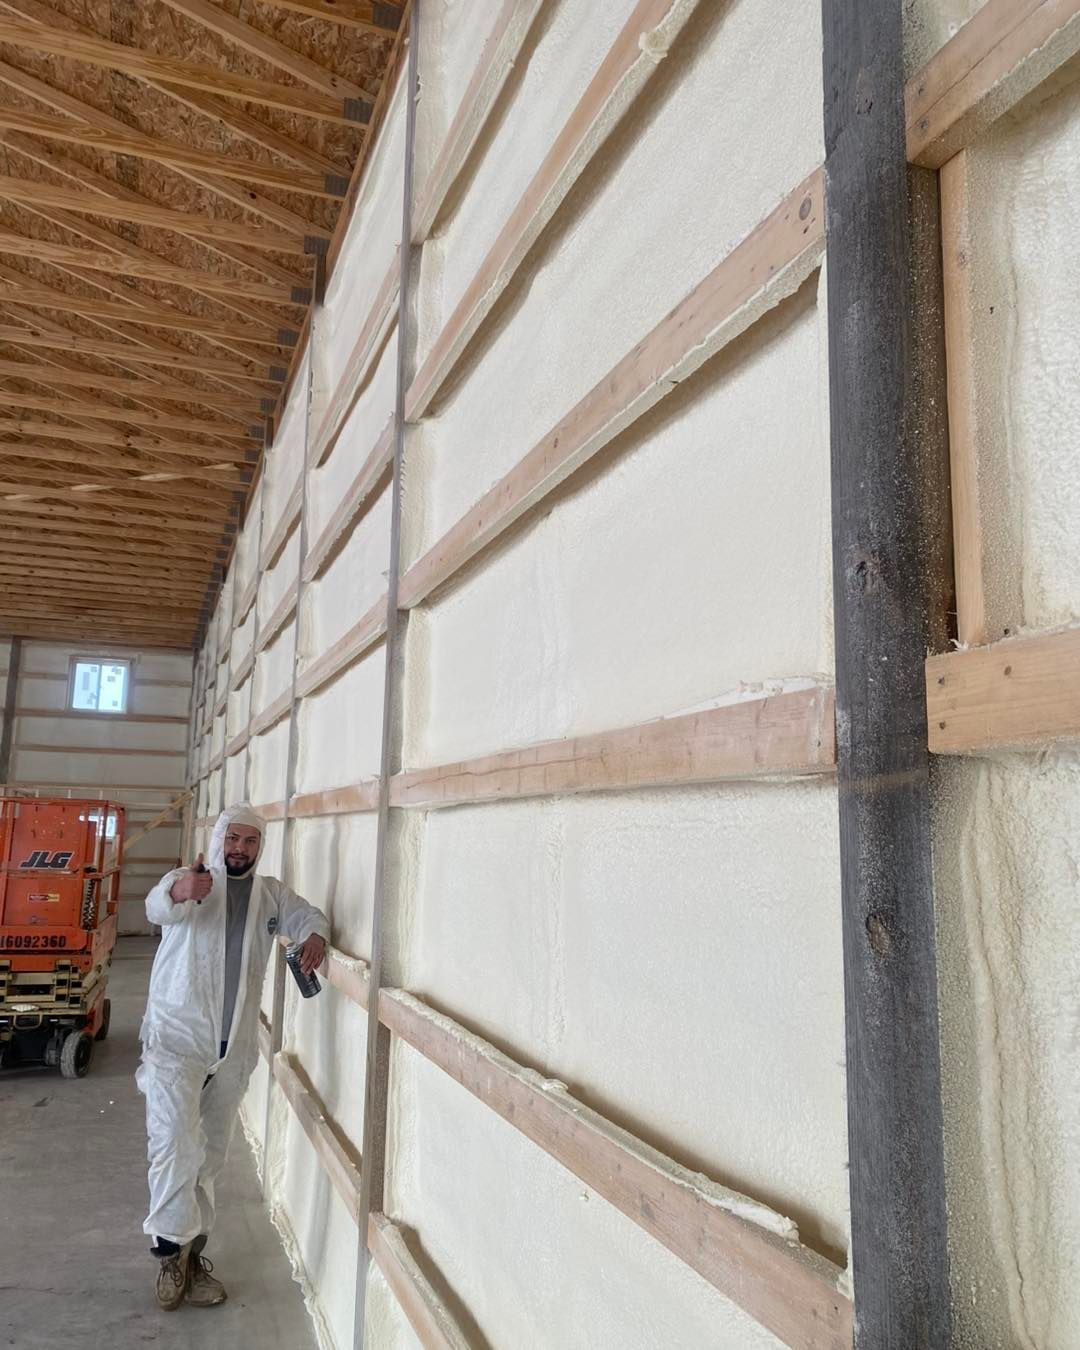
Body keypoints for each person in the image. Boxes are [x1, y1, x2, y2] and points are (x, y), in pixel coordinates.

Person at [136, 803, 329, 1311]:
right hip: (176, 1038)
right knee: (173, 1142)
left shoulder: (269, 894)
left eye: (250, 841)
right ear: (219, 838)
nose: (240, 849)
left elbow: (308, 915)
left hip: (232, 1047)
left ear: (259, 846)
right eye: (233, 838)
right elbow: (157, 907)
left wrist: (315, 935)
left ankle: (191, 1256)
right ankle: (168, 1253)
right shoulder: (192, 881)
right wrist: (181, 891)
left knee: (209, 1153)